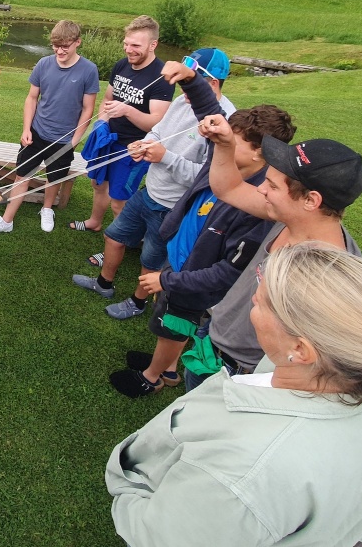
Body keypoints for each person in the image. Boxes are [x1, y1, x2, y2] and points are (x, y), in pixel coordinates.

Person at [107, 242, 362, 547]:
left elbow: (158, 537)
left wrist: (129, 491)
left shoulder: (243, 473)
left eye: (261, 302)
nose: (251, 303)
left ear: (301, 349)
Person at [108, 71, 296, 398]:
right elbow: (210, 112)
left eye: (231, 140)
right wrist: (191, 80)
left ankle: (155, 376)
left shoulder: (258, 206)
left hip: (193, 282)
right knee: (167, 324)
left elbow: (225, 273)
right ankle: (165, 364)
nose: (218, 142)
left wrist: (167, 281)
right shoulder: (224, 156)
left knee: (174, 323)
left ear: (257, 153)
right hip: (183, 261)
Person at [186, 116, 362, 389]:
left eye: (271, 186)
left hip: (244, 373)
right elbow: (229, 188)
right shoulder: (288, 216)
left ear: (311, 200)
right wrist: (225, 145)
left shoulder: (327, 278)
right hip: (215, 339)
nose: (261, 189)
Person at [72, 49, 235, 319]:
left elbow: (209, 178)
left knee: (151, 261)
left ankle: (137, 303)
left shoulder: (223, 121)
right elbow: (159, 130)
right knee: (114, 236)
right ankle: (103, 284)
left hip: (173, 206)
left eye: (190, 80)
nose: (183, 89)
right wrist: (145, 143)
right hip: (150, 192)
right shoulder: (184, 102)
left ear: (213, 83)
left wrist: (165, 157)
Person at [0, 20, 99, 235]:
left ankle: (47, 209)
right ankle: (7, 220)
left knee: (54, 178)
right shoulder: (43, 64)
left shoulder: (89, 70)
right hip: (36, 133)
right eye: (55, 45)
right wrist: (26, 129)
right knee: (22, 175)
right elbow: (32, 98)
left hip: (64, 139)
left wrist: (74, 141)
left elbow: (88, 109)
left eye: (65, 46)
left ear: (77, 43)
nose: (59, 51)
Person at [69, 16, 172, 233]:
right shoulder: (122, 65)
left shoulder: (161, 77)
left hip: (134, 150)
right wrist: (101, 123)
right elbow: (107, 99)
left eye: (136, 45)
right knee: (98, 184)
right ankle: (95, 222)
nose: (129, 49)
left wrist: (127, 110)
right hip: (109, 140)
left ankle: (118, 241)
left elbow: (157, 123)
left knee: (119, 199)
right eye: (126, 43)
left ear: (153, 45)